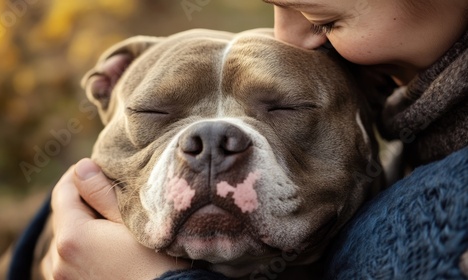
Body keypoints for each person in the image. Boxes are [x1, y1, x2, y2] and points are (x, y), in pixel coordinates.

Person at [36, 0, 468, 279]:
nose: (210, 149)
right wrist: (41, 245)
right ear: (106, 88)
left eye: (286, 109)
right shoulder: (424, 131)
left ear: (376, 89)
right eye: (153, 113)